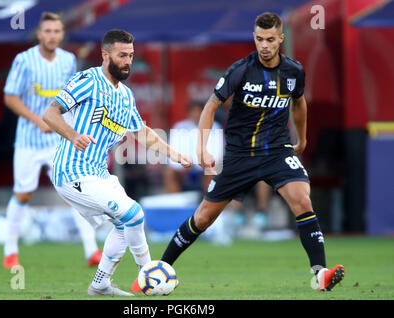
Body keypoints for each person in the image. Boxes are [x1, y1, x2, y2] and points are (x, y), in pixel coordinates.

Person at [159, 12, 345, 292]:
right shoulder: (240, 70)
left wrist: (302, 139)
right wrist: (201, 148)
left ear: (281, 39)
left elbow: (299, 104)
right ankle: (160, 267)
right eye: (259, 39)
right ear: (254, 39)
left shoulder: (294, 71)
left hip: (278, 151)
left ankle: (320, 273)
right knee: (203, 218)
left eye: (270, 39)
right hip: (240, 154)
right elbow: (210, 106)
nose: (264, 45)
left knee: (302, 200)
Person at [42, 29, 192, 297]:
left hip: (99, 174)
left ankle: (100, 284)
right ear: (105, 54)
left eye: (131, 56)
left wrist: (174, 153)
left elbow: (142, 133)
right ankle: (149, 273)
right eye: (122, 55)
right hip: (71, 171)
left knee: (125, 224)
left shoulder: (125, 95)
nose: (127, 61)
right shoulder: (87, 80)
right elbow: (50, 113)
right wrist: (74, 135)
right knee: (134, 214)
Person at [2, 12, 102, 269]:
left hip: (58, 140)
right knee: (23, 194)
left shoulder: (68, 61)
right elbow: (10, 97)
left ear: (61, 34)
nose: (52, 36)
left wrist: (69, 126)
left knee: (76, 192)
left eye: (57, 31)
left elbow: (69, 99)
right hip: (29, 140)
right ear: (39, 34)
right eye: (47, 31)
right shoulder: (23, 60)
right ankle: (10, 251)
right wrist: (38, 120)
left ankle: (92, 250)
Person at [164, 100, 223, 194]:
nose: (196, 114)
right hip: (184, 165)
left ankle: (207, 204)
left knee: (211, 171)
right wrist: (183, 164)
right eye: (193, 111)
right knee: (170, 173)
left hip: (206, 165)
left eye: (198, 111)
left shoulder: (214, 126)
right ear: (188, 113)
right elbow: (173, 151)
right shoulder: (179, 127)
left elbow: (218, 153)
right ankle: (177, 205)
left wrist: (203, 164)